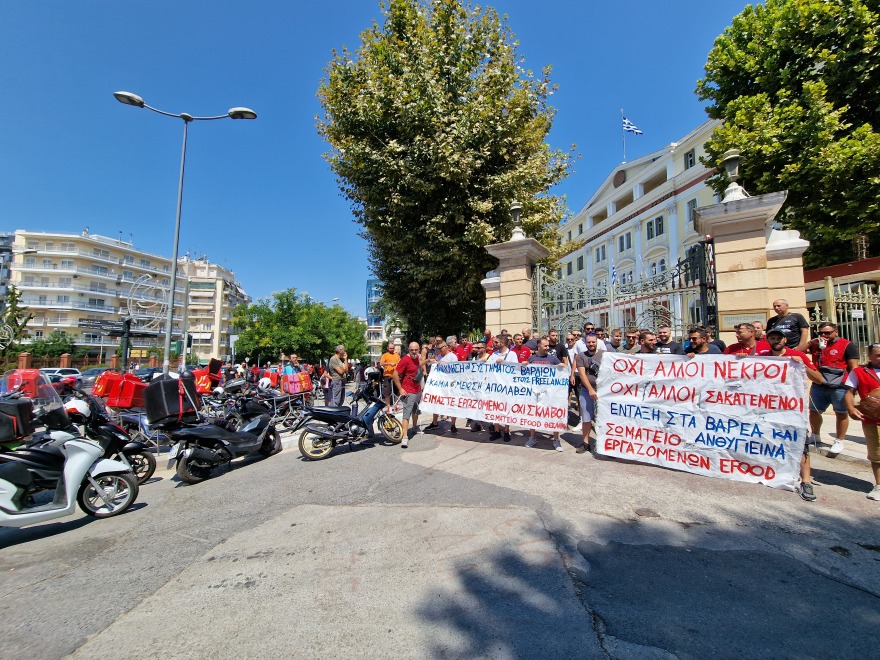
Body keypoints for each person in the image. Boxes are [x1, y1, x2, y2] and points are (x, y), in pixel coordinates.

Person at [757, 329, 824, 501]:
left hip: (792, 409)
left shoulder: (797, 355)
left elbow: (818, 379)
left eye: (779, 338)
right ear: (768, 340)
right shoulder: (762, 355)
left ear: (785, 339)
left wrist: (802, 364)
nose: (776, 340)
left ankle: (806, 481)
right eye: (772, 338)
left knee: (801, 443)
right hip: (767, 408)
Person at [807, 322, 860, 455]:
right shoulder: (817, 345)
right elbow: (796, 351)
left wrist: (853, 387)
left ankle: (839, 440)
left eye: (827, 333)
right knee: (814, 411)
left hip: (840, 385)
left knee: (841, 413)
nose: (824, 335)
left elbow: (854, 367)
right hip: (819, 384)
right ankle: (815, 435)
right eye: (820, 333)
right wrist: (810, 343)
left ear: (836, 332)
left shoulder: (847, 345)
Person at [844, 344, 880, 501]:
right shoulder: (859, 372)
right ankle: (879, 486)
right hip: (873, 420)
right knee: (876, 455)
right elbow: (849, 391)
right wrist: (851, 408)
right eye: (878, 355)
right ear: (869, 355)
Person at [526, 338, 566, 452]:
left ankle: (556, 439)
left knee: (554, 414)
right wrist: (524, 365)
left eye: (548, 346)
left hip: (550, 393)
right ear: (539, 346)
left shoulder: (552, 359)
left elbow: (561, 368)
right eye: (545, 346)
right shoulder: (532, 359)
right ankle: (532, 437)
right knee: (532, 414)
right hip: (535, 392)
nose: (548, 348)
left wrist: (562, 366)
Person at [392, 342, 426, 448]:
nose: (414, 352)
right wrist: (401, 389)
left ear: (419, 349)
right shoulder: (405, 360)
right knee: (407, 413)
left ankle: (415, 427)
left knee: (416, 410)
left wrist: (428, 360)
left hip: (417, 389)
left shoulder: (417, 357)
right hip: (408, 390)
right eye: (412, 350)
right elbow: (395, 374)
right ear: (408, 350)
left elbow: (418, 364)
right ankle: (405, 437)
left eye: (416, 350)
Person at [575, 334, 603, 454]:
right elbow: (582, 374)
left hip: (602, 390)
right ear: (585, 343)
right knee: (586, 418)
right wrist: (591, 389)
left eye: (593, 342)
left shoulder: (605, 354)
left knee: (602, 418)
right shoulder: (581, 356)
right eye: (589, 342)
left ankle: (603, 444)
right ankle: (585, 443)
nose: (591, 344)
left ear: (597, 342)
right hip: (586, 390)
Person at [488, 335, 520, 442]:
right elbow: (489, 367)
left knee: (507, 408)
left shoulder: (512, 354)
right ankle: (497, 431)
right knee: (496, 407)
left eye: (496, 342)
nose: (494, 344)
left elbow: (515, 367)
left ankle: (506, 430)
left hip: (507, 386)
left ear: (503, 343)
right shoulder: (494, 354)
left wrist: (504, 362)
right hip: (496, 386)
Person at [424, 341, 460, 434]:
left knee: (451, 404)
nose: (439, 350)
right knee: (436, 401)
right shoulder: (439, 356)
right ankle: (435, 422)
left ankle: (453, 425)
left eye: (441, 348)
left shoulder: (453, 357)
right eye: (438, 348)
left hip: (450, 385)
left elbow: (456, 370)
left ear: (446, 347)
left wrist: (444, 364)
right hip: (440, 385)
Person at [379, 344, 401, 408]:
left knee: (398, 390)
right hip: (387, 375)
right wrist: (389, 363)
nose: (392, 349)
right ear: (387, 348)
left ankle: (396, 404)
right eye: (390, 348)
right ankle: (388, 406)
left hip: (396, 375)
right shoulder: (385, 355)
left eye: (393, 348)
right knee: (387, 392)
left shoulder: (397, 355)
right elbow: (381, 363)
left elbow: (400, 363)